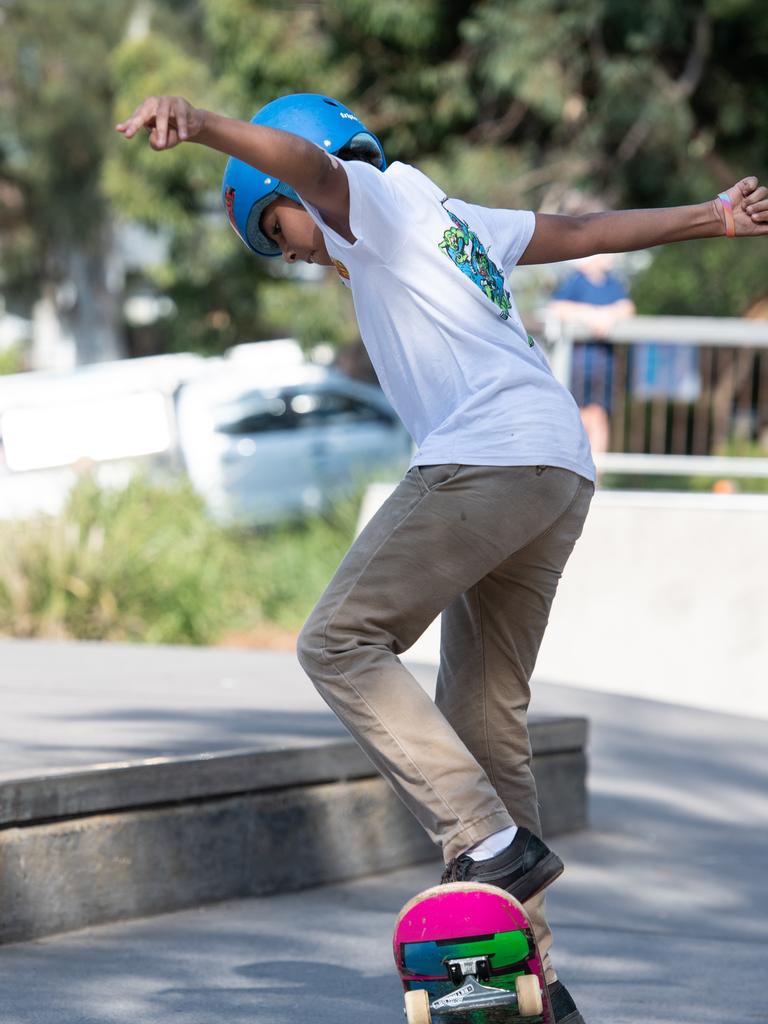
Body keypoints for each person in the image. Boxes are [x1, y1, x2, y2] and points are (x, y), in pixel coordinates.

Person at [116, 93, 768, 1024]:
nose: (296, 250)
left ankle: (482, 841)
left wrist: (208, 127)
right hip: (554, 473)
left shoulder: (367, 200)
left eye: (277, 226)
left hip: (486, 458)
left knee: (338, 640)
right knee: (484, 715)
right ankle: (528, 978)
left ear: (307, 177)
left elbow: (307, 169)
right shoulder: (449, 216)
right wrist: (708, 217)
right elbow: (579, 230)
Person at [547, 252, 635, 457]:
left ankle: (597, 474)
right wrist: (590, 316)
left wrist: (607, 317)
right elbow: (557, 307)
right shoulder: (575, 281)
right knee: (577, 414)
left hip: (604, 362)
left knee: (599, 415)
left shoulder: (613, 284)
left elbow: (627, 308)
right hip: (577, 362)